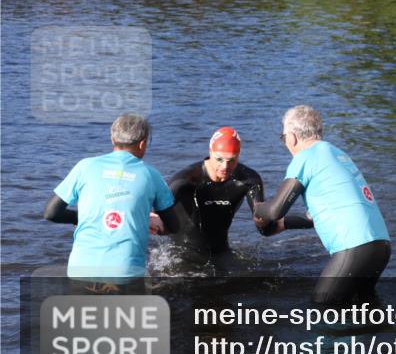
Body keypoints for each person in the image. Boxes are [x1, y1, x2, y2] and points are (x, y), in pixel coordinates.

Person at [253, 105, 391, 306]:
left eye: (283, 138)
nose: (285, 143)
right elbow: (314, 217)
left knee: (323, 307)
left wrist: (257, 208)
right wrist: (285, 224)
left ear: (292, 137)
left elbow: (274, 210)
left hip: (354, 248)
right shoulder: (336, 154)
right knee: (364, 308)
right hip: (380, 246)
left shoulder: (306, 157)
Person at [43, 113, 183, 290]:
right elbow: (174, 226)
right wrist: (146, 220)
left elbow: (51, 213)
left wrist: (81, 217)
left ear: (113, 139)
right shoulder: (151, 175)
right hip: (125, 275)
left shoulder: (85, 166)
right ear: (143, 144)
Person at [158, 127, 268, 271]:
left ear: (239, 156)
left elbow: (265, 228)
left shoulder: (249, 180)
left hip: (221, 252)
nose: (225, 166)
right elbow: (157, 210)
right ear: (210, 152)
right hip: (181, 256)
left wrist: (268, 220)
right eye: (219, 159)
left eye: (231, 160)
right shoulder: (185, 179)